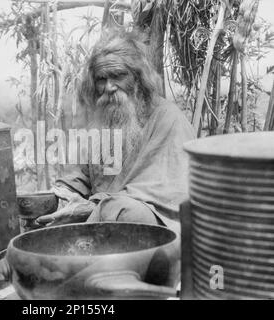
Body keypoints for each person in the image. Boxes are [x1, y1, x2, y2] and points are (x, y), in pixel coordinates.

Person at [36, 31, 195, 234]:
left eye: (118, 75)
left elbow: (165, 192)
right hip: (102, 214)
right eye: (102, 79)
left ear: (138, 77)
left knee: (125, 212)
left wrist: (96, 206)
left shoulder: (168, 118)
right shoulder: (103, 119)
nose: (109, 87)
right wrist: (61, 194)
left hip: (157, 223)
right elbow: (81, 176)